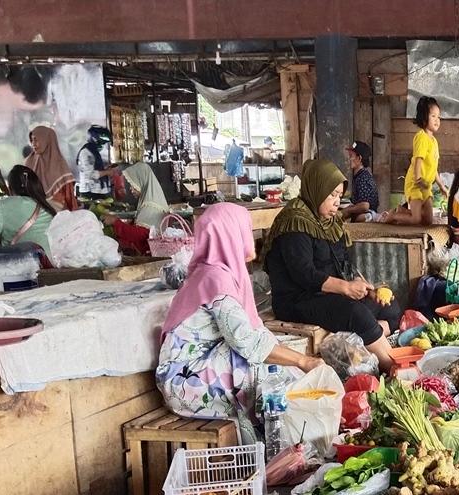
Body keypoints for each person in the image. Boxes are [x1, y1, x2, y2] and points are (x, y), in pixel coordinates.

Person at [157, 203, 323, 444]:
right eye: (245, 229)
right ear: (230, 234)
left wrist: (297, 362)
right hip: (184, 382)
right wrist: (303, 360)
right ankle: (277, 447)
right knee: (261, 369)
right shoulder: (215, 278)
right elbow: (248, 342)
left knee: (279, 364)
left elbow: (254, 332)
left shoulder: (219, 272)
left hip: (199, 370)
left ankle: (288, 442)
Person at [262, 158, 398, 371]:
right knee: (357, 314)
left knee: (390, 307)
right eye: (332, 195)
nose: (337, 202)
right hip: (299, 300)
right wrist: (345, 288)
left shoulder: (329, 222)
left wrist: (362, 287)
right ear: (316, 189)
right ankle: (393, 368)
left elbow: (342, 262)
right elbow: (304, 274)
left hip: (330, 295)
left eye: (339, 196)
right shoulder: (294, 222)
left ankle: (363, 344)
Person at [0, 165, 56, 283]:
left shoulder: (6, 204)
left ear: (9, 189)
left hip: (21, 274)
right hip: (51, 269)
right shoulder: (49, 206)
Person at [384, 97, 448, 226]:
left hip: (426, 186)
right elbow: (418, 160)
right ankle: (393, 215)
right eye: (433, 116)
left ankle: (401, 211)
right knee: (416, 220)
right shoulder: (421, 137)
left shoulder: (434, 141)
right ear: (424, 117)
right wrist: (419, 179)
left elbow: (433, 167)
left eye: (439, 117)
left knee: (428, 221)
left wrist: (441, 186)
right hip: (416, 184)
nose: (437, 120)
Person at [104, 162, 171, 254]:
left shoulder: (151, 206)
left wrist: (116, 222)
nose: (131, 189)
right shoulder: (148, 202)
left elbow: (140, 234)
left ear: (142, 181)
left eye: (133, 184)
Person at [25, 126, 77, 211]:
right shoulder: (30, 162)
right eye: (32, 140)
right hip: (32, 212)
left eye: (36, 140)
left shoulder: (60, 165)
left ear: (47, 140)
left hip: (58, 215)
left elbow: (69, 197)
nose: (33, 144)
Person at [342, 141, 380, 222]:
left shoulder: (363, 177)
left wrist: (347, 210)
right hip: (363, 211)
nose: (348, 159)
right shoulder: (359, 175)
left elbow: (364, 206)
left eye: (351, 156)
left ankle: (372, 217)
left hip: (369, 212)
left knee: (360, 217)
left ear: (359, 158)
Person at [76, 125, 116, 202]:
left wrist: (106, 170)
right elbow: (91, 174)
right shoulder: (86, 152)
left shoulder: (94, 151)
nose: (103, 145)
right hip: (90, 193)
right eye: (102, 142)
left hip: (98, 192)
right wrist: (108, 172)